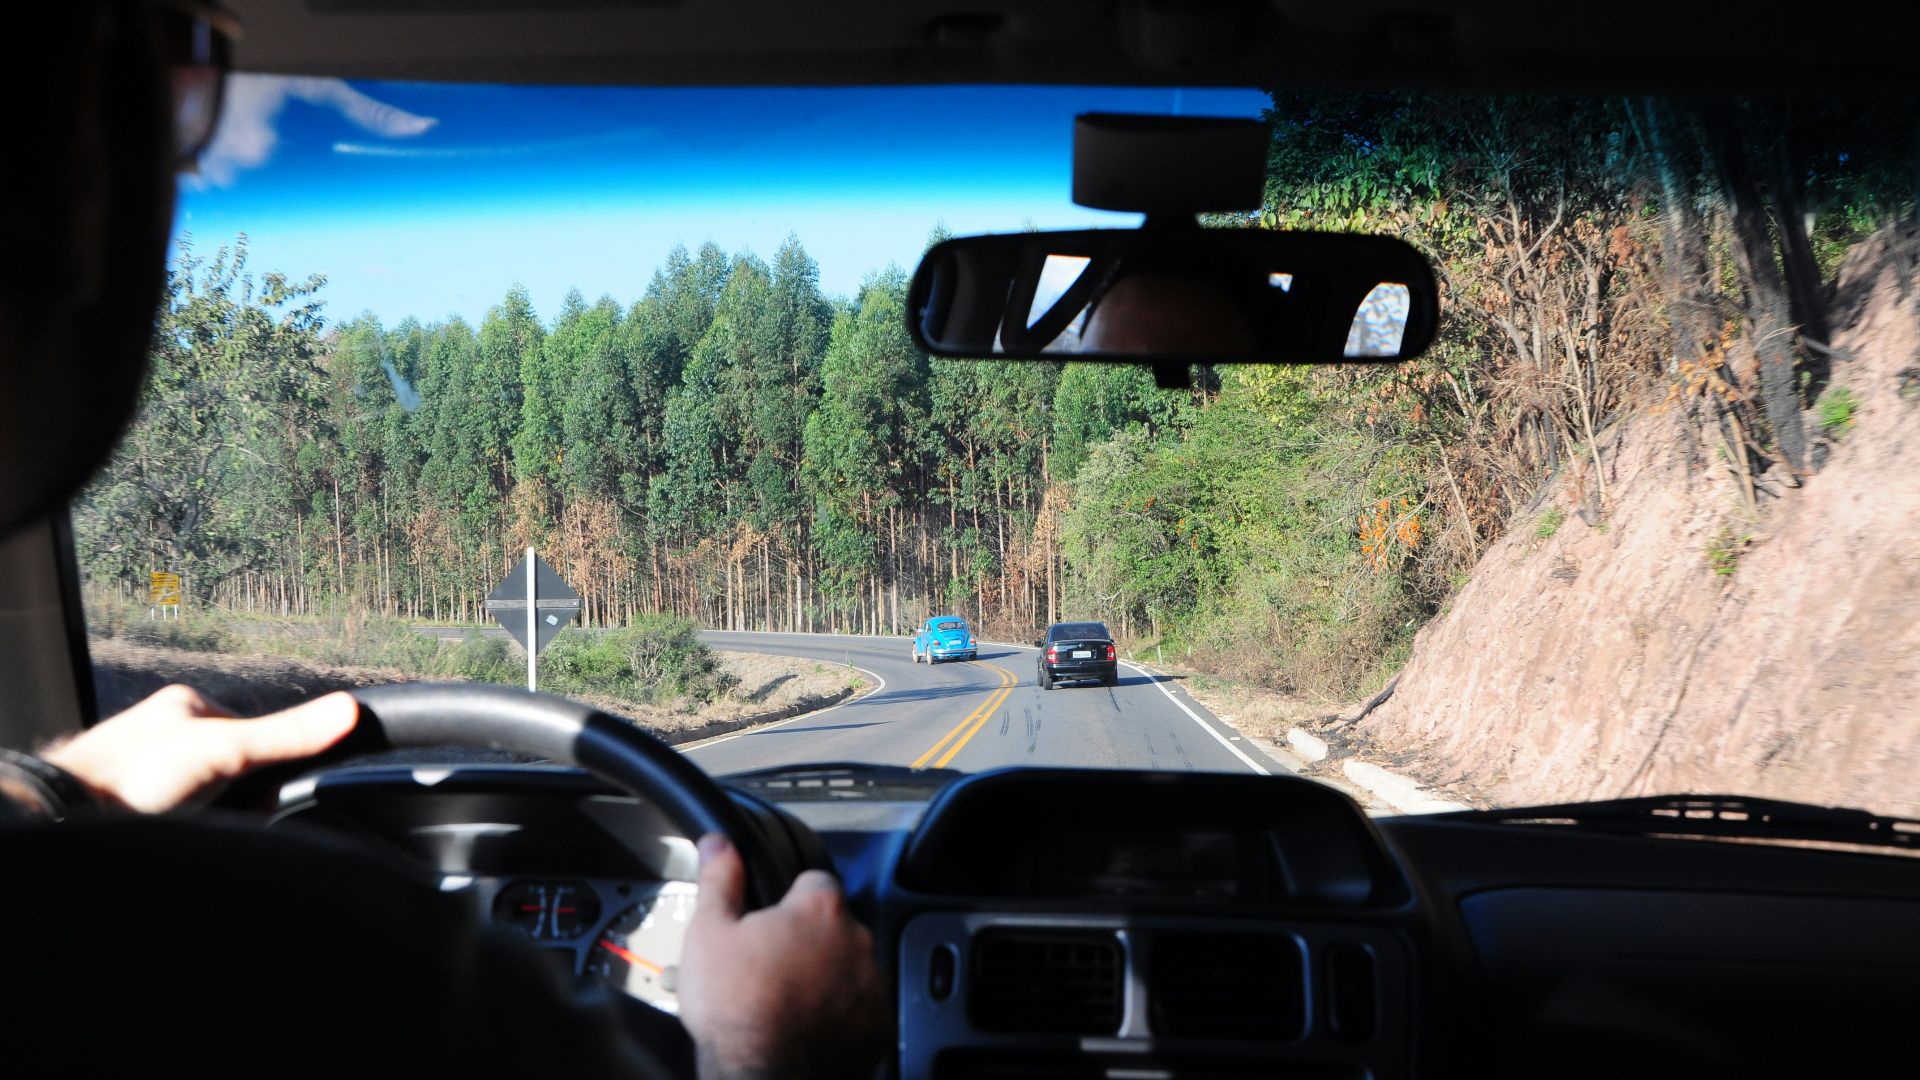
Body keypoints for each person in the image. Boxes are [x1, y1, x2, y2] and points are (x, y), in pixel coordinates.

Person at [0, 4, 886, 1078]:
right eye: (181, 102)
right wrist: (770, 1052)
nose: (184, 168)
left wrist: (47, 801)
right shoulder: (383, 971)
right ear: (79, 204)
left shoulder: (90, 920)